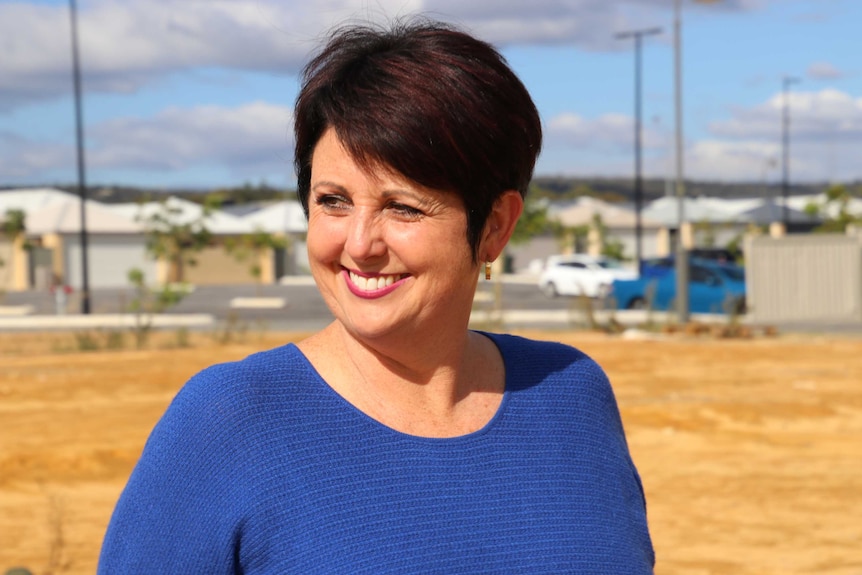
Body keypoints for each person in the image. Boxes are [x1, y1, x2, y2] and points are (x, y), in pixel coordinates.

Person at [98, 17, 654, 574]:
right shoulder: (228, 422)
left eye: (403, 207)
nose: (359, 244)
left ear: (495, 227)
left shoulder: (570, 396)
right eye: (333, 200)